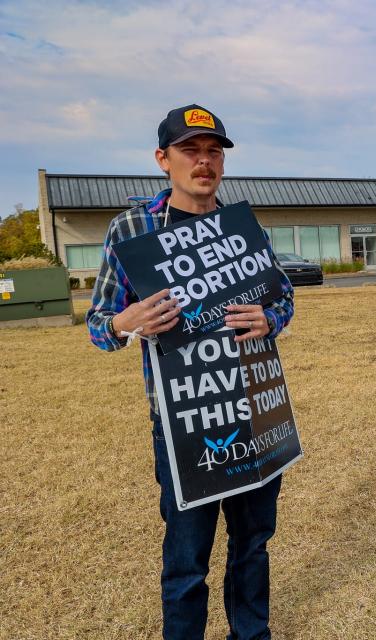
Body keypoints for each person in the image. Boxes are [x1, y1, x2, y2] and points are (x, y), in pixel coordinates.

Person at [86, 104, 295, 638]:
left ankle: (252, 633)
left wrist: (268, 317)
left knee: (253, 544)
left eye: (213, 151)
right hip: (184, 421)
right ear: (163, 159)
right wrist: (127, 321)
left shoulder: (242, 229)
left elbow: (285, 300)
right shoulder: (133, 230)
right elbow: (98, 325)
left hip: (253, 406)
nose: (204, 162)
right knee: (186, 558)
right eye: (190, 150)